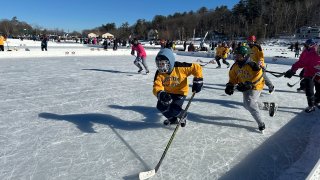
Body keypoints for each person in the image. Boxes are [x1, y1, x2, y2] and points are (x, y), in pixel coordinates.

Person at [224, 46, 278, 133]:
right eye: (235, 55)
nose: (236, 57)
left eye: (238, 55)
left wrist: (250, 83)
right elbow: (233, 77)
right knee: (247, 105)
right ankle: (269, 106)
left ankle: (261, 123)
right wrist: (230, 85)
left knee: (249, 103)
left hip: (256, 86)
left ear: (245, 56)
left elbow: (259, 76)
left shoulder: (252, 65)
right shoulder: (235, 66)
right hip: (245, 85)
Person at [153, 48, 203, 127]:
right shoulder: (159, 73)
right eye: (159, 64)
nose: (161, 67)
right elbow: (156, 85)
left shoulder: (181, 67)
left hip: (180, 92)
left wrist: (198, 80)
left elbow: (196, 67)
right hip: (168, 92)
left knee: (174, 109)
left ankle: (183, 115)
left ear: (169, 62)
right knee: (160, 106)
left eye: (163, 64)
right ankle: (173, 120)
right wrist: (161, 93)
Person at [284, 39, 320, 113]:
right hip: (309, 74)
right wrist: (292, 70)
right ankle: (311, 105)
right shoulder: (310, 54)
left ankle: (316, 101)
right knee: (309, 90)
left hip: (318, 75)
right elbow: (300, 62)